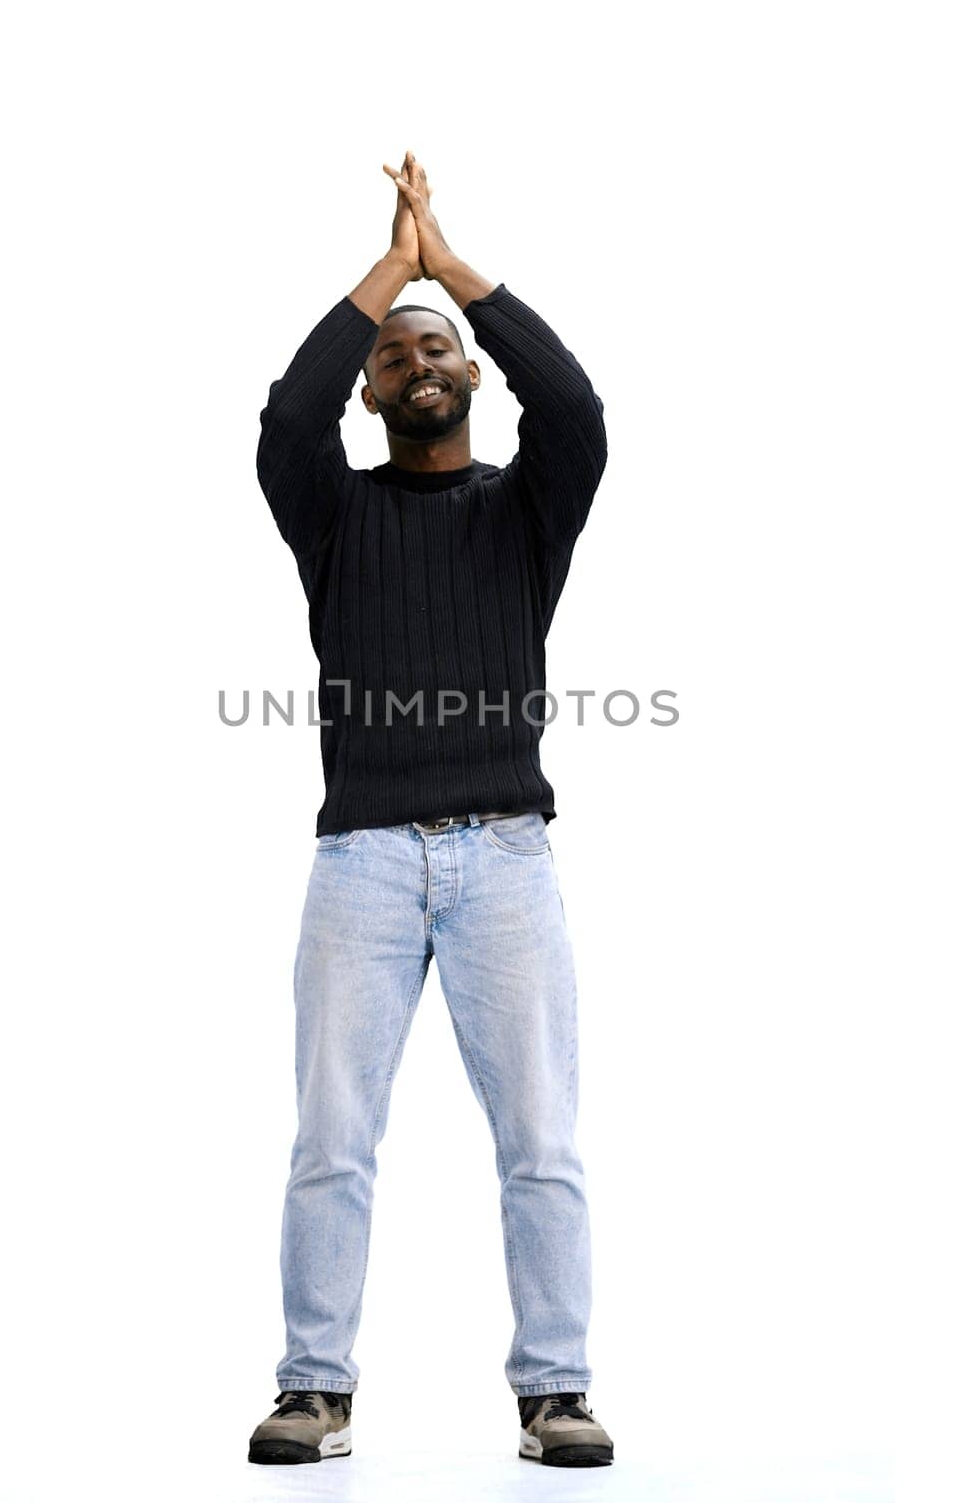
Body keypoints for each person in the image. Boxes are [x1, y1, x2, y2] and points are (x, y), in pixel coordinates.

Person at [247, 152, 613, 1468]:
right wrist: (386, 279)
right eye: (396, 353)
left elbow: (575, 411)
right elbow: (284, 425)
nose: (418, 359)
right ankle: (314, 1390)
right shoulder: (333, 516)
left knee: (541, 1142)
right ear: (373, 388)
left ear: (470, 377)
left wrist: (452, 270)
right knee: (333, 1138)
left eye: (439, 347)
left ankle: (556, 1392)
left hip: (506, 860)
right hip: (360, 864)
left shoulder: (524, 514)